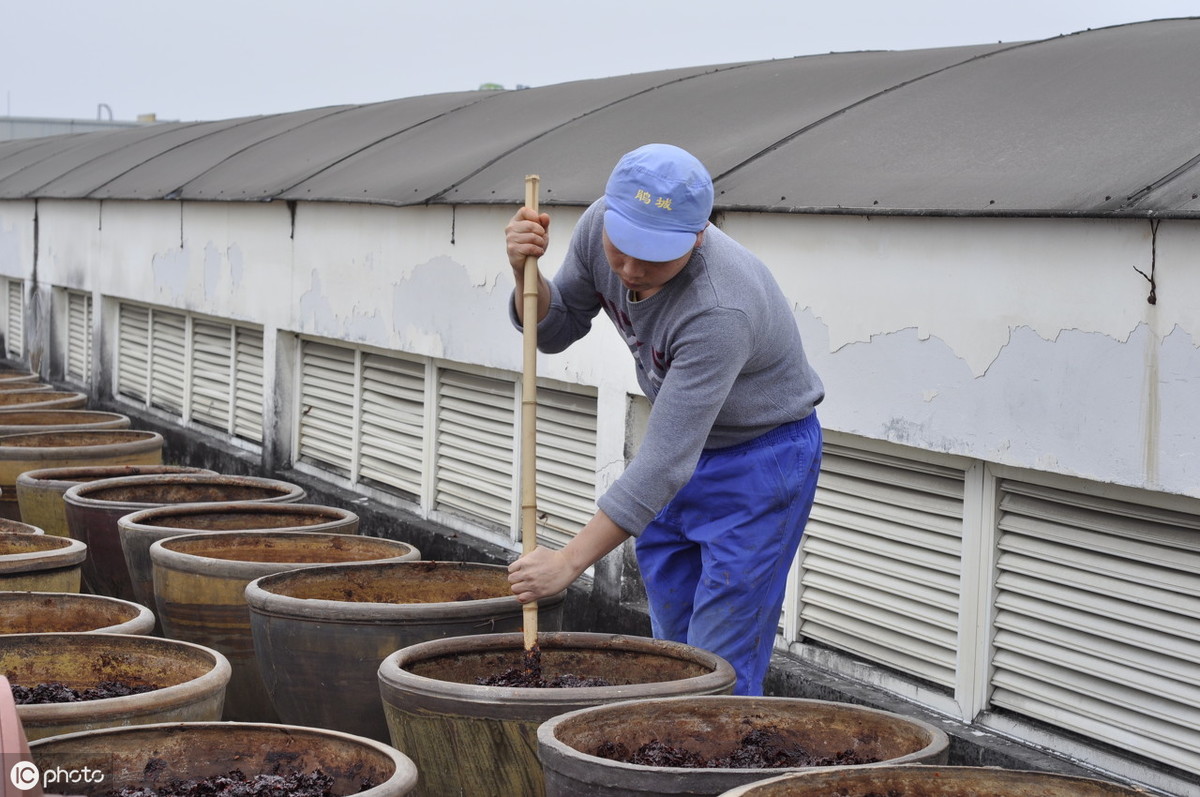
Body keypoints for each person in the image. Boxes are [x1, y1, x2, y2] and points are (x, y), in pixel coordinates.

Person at [504, 143, 824, 695]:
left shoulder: (719, 309)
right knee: (672, 655)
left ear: (696, 237)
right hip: (679, 454)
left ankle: (717, 767)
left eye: (653, 258)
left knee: (717, 666)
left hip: (759, 463)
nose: (630, 271)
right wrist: (522, 275)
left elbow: (661, 464)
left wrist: (568, 563)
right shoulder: (597, 226)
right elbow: (555, 330)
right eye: (621, 250)